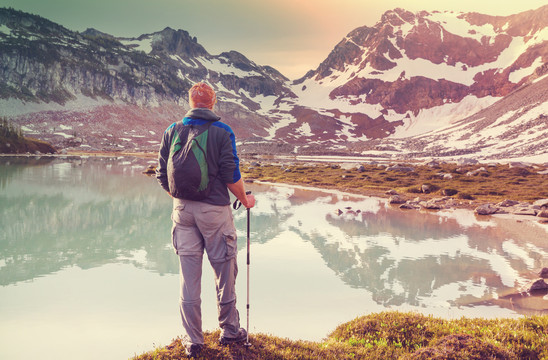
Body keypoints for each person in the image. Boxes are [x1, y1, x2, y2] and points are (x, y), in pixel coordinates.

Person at [156, 82, 255, 358]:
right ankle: (230, 331)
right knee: (225, 270)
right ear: (213, 103)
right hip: (214, 212)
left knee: (189, 279)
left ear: (190, 102)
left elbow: (162, 175)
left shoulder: (171, 130)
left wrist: (181, 200)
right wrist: (245, 200)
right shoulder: (222, 132)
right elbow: (230, 175)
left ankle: (193, 341)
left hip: (181, 212)